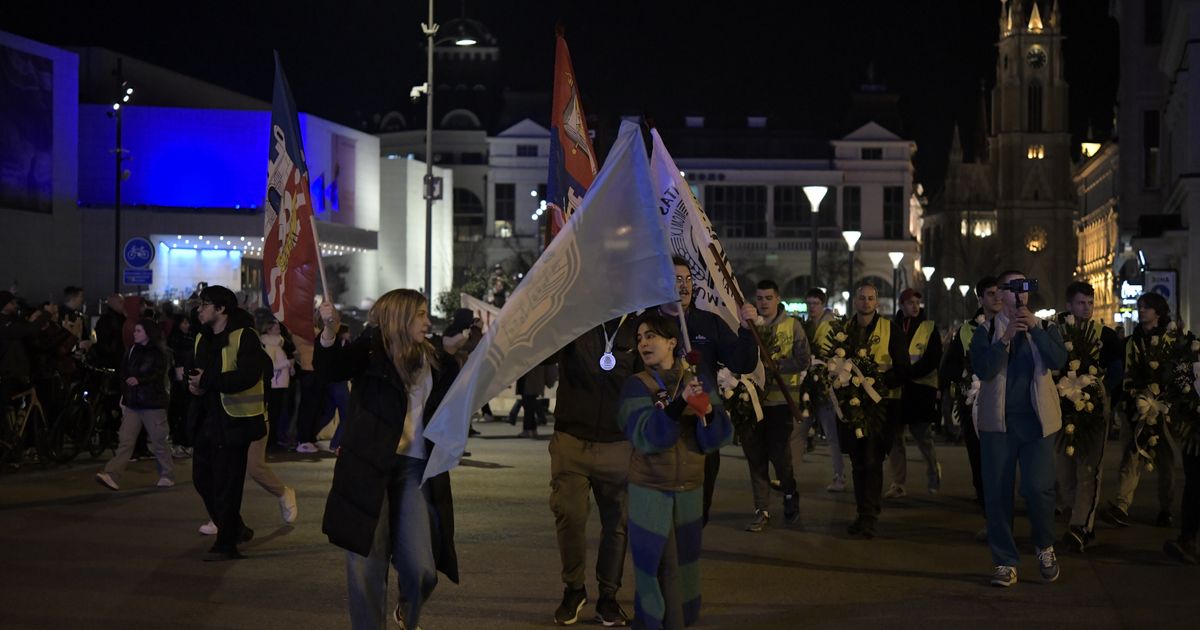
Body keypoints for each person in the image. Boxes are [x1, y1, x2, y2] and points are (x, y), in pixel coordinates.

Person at [315, 290, 460, 630]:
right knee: (367, 562)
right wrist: (329, 333)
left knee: (423, 568)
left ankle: (406, 611)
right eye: (421, 315)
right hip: (368, 466)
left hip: (415, 469)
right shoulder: (369, 352)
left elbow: (459, 398)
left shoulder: (437, 357)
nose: (428, 322)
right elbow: (330, 369)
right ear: (400, 317)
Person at [617, 312, 732, 629]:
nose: (643, 343)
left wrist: (707, 412)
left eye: (651, 336)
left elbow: (717, 438)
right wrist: (679, 405)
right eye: (639, 338)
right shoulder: (635, 386)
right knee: (658, 567)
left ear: (672, 342)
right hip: (650, 490)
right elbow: (648, 437)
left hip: (690, 488)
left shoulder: (697, 381)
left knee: (685, 569)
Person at [970, 270, 1067, 587]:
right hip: (998, 425)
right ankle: (1004, 561)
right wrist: (1006, 337)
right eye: (1011, 288)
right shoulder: (984, 332)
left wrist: (1035, 330)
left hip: (1037, 425)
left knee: (1039, 489)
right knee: (997, 493)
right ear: (1000, 295)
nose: (1018, 294)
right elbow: (983, 369)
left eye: (1023, 287)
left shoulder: (1047, 327)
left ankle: (1044, 546)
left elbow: (1058, 360)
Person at [549, 313, 640, 626]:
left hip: (618, 443)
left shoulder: (637, 327)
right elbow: (542, 354)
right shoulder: (575, 319)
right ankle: (574, 589)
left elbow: (648, 382)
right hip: (571, 439)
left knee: (617, 524)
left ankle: (608, 596)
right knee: (569, 515)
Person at [661, 257, 758, 527]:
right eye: (677, 279)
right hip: (664, 424)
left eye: (688, 280)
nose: (684, 286)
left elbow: (742, 363)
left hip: (702, 425)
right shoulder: (649, 324)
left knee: (697, 508)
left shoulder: (709, 323)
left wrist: (747, 331)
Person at [187, 285, 270, 561]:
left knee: (228, 482)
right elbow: (199, 374)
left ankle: (226, 544)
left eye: (205, 304)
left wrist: (207, 382)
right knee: (202, 478)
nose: (199, 309)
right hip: (207, 418)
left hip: (236, 420)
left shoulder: (244, 336)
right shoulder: (203, 338)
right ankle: (234, 527)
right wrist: (195, 386)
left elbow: (248, 376)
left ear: (221, 309)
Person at [838, 281, 910, 539]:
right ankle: (862, 512)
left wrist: (876, 381)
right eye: (862, 298)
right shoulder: (844, 330)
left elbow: (902, 369)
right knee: (858, 462)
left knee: (872, 459)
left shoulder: (890, 329)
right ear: (854, 302)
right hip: (853, 405)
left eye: (870, 298)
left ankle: (869, 516)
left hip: (882, 406)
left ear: (877, 302)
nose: (866, 302)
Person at [1054, 282, 1122, 552]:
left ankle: (1080, 526)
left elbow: (1116, 372)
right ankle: (1079, 519)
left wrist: (1101, 396)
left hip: (1093, 411)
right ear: (1069, 305)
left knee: (1088, 469)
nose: (1087, 308)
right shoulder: (1057, 334)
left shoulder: (1106, 336)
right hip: (1062, 411)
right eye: (1081, 303)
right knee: (1064, 472)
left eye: (1090, 303)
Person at [1102, 292, 1178, 529]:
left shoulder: (1170, 340)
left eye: (1146, 307)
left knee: (1166, 459)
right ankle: (1122, 505)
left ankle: (1166, 509)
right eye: (1140, 307)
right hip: (1134, 408)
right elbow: (1125, 372)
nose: (1141, 310)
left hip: (1162, 408)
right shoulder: (1131, 341)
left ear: (1158, 312)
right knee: (1130, 456)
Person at [742, 279, 809, 532]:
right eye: (759, 298)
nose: (764, 302)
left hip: (781, 403)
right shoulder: (748, 325)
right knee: (756, 458)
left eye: (768, 298)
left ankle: (790, 492)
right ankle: (761, 510)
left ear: (778, 298)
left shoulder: (792, 326)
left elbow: (803, 360)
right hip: (752, 404)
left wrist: (779, 366)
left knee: (781, 458)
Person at [939, 276, 1002, 540]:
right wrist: (966, 374)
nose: (997, 298)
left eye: (1000, 293)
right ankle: (990, 517)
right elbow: (948, 368)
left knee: (1002, 464)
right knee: (979, 464)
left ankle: (1002, 517)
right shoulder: (966, 330)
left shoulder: (1012, 323)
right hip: (972, 405)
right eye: (990, 294)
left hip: (1003, 405)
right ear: (980, 299)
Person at [95, 319, 173, 490]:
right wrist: (126, 393)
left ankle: (166, 474)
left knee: (159, 440)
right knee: (126, 440)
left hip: (152, 403)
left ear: (148, 333)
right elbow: (123, 373)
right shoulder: (131, 351)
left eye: (138, 330)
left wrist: (139, 380)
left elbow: (157, 375)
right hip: (133, 403)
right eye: (135, 330)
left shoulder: (159, 353)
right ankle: (112, 474)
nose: (134, 333)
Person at [885, 288, 943, 498]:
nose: (915, 306)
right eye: (910, 302)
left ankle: (933, 472)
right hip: (899, 390)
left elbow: (932, 358)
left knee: (922, 437)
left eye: (917, 302)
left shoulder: (929, 327)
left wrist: (907, 373)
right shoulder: (892, 327)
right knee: (895, 438)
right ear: (902, 305)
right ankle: (898, 483)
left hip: (921, 389)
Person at [800, 288, 844, 492]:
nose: (811, 307)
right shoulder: (808, 324)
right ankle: (788, 475)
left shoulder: (830, 326)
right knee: (798, 432)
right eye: (809, 303)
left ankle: (839, 476)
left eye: (815, 303)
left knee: (831, 435)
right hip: (809, 385)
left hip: (824, 386)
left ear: (823, 304)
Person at [167, 313, 197, 458]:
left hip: (188, 377)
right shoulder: (176, 341)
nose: (186, 325)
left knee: (188, 412)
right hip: (180, 380)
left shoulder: (191, 338)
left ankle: (186, 441)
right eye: (183, 323)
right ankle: (179, 442)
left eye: (188, 323)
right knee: (181, 410)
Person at [93, 294, 127, 369]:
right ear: (113, 303)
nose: (123, 304)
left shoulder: (122, 318)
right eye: (120, 302)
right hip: (112, 360)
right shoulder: (107, 321)